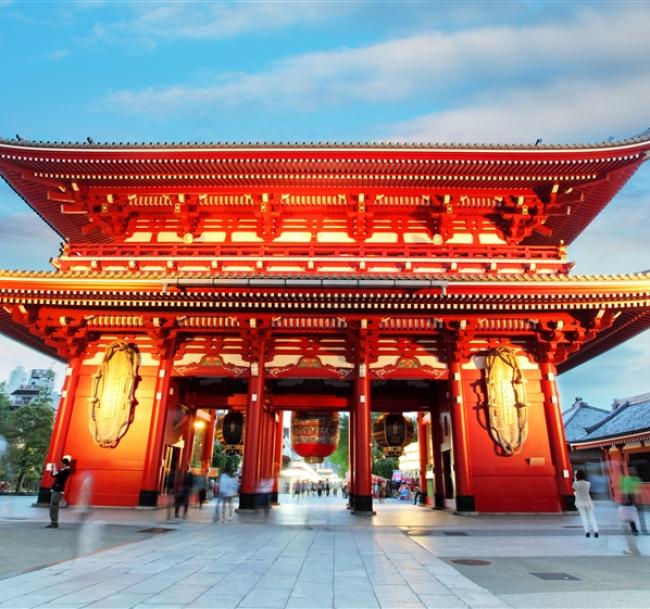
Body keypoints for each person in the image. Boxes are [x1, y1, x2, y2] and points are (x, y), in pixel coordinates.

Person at [572, 470, 599, 538]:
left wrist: (575, 477)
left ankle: (587, 532)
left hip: (580, 502)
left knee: (583, 517)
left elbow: (574, 487)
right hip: (588, 501)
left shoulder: (575, 484)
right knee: (591, 516)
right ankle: (596, 531)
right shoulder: (588, 483)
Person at [47, 457, 71, 529]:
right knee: (53, 506)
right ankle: (53, 522)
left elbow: (58, 475)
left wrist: (54, 468)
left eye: (61, 464)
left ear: (65, 464)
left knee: (53, 507)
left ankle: (54, 523)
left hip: (58, 490)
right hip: (55, 490)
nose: (60, 465)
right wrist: (52, 469)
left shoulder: (67, 471)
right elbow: (54, 475)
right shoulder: (62, 470)